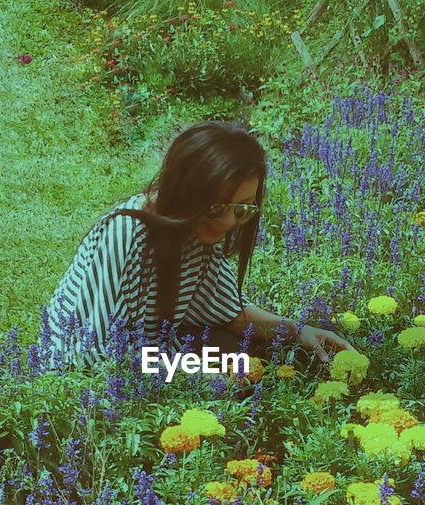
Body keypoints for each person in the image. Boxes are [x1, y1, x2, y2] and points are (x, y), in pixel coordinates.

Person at [38, 120, 355, 374]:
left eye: (244, 208)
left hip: (150, 353)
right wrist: (198, 374)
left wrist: (299, 331)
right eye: (217, 207)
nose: (230, 222)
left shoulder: (200, 234)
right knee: (240, 369)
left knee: (253, 357)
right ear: (186, 193)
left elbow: (231, 314)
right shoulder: (128, 233)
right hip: (83, 367)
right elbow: (94, 356)